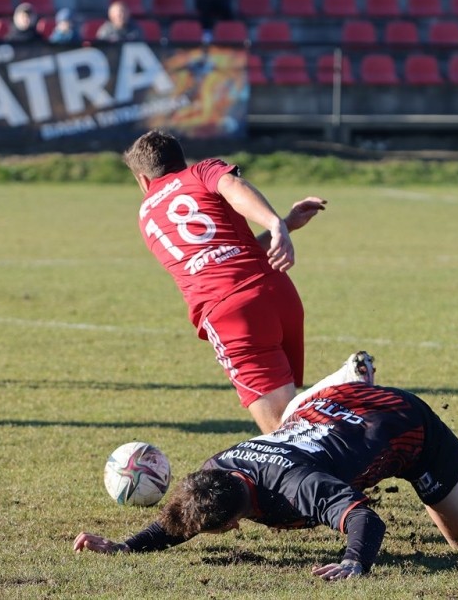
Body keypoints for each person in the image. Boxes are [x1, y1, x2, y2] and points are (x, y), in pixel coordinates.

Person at [74, 352, 458, 580]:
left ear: (232, 523)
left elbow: (366, 520)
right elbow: (183, 518)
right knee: (297, 421)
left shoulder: (299, 487)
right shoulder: (217, 469)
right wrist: (124, 546)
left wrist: (355, 561)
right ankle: (351, 377)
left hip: (403, 424)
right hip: (329, 408)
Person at [122, 131, 325, 434]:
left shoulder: (147, 215)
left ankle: (351, 385)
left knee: (282, 433)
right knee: (291, 410)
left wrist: (277, 225)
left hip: (230, 313)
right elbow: (231, 188)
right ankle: (346, 397)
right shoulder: (201, 171)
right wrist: (281, 224)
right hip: (277, 291)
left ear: (142, 179)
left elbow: (231, 191)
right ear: (181, 159)